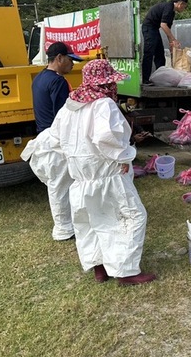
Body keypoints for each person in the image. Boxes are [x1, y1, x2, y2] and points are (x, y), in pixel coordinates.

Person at [49, 59, 155, 285]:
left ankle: (100, 267)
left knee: (91, 220)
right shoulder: (103, 105)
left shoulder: (70, 105)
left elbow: (56, 140)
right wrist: (124, 156)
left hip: (82, 178)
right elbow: (106, 137)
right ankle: (126, 272)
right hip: (107, 173)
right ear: (105, 84)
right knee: (131, 217)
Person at [29, 41, 83, 241]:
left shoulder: (39, 78)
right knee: (61, 185)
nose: (73, 65)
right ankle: (64, 229)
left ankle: (66, 226)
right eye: (70, 60)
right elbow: (64, 115)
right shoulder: (58, 82)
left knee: (58, 184)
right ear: (59, 58)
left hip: (44, 136)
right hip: (56, 140)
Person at [141, 0, 189, 85]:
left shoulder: (172, 12)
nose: (184, 9)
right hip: (149, 27)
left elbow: (168, 29)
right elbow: (163, 25)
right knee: (149, 53)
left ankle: (160, 78)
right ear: (180, 3)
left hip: (154, 29)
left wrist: (171, 43)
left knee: (160, 54)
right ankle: (145, 80)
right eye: (184, 7)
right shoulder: (169, 7)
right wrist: (174, 39)